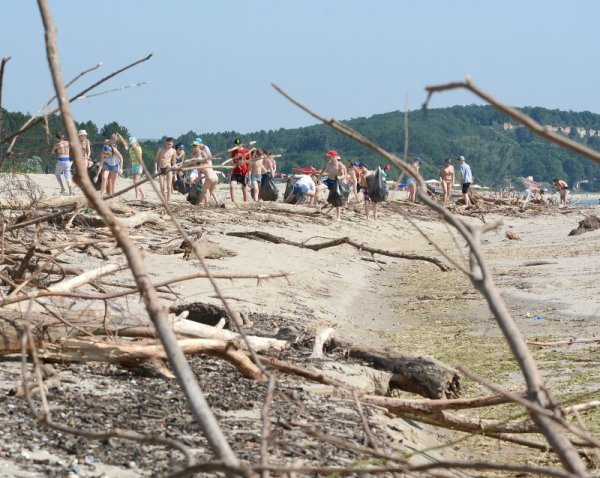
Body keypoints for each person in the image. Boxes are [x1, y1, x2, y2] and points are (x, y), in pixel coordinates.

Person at [320, 150, 348, 221]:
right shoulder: (330, 163)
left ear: (336, 158)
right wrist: (320, 176)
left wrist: (341, 178)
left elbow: (344, 176)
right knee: (333, 199)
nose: (329, 158)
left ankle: (338, 217)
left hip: (338, 183)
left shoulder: (341, 165)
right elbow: (324, 170)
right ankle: (329, 209)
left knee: (337, 200)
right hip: (331, 181)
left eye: (330, 156)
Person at [197, 140, 221, 206]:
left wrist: (194, 181)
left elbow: (199, 177)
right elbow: (206, 158)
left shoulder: (199, 167)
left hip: (210, 178)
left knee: (203, 191)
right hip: (216, 177)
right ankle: (218, 202)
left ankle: (206, 203)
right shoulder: (207, 164)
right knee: (212, 190)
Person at [155, 137, 177, 202]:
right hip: (161, 168)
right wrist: (155, 169)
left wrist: (175, 174)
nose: (169, 145)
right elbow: (156, 160)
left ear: (172, 144)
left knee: (169, 186)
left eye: (170, 144)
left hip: (168, 167)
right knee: (161, 187)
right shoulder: (161, 149)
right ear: (165, 143)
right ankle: (164, 200)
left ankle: (168, 200)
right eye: (168, 144)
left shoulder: (173, 151)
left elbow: (174, 162)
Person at [229, 138, 250, 202]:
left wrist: (248, 172)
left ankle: (245, 202)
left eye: (239, 144)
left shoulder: (246, 151)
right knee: (232, 186)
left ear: (241, 144)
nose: (237, 145)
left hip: (243, 172)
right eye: (236, 144)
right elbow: (232, 161)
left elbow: (249, 162)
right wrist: (231, 169)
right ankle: (233, 202)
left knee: (244, 189)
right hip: (235, 172)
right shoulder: (234, 151)